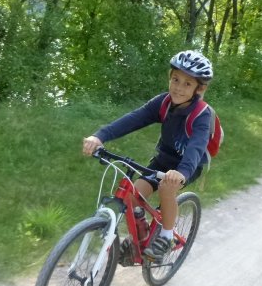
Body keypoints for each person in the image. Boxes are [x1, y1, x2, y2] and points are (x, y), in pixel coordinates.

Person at [82, 50, 214, 260]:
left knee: (166, 187)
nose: (178, 87)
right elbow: (134, 118)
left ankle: (167, 236)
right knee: (133, 195)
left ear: (200, 88)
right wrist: (100, 136)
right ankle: (142, 236)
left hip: (188, 165)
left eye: (187, 84)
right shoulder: (163, 103)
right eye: (175, 79)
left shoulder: (201, 115)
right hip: (164, 159)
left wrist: (182, 172)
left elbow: (196, 148)